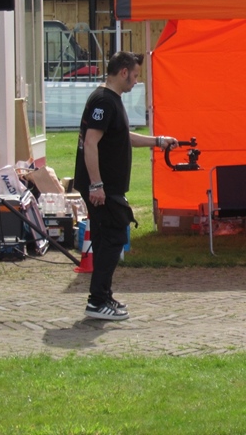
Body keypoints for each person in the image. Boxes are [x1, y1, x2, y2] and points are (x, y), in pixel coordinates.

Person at [74, 51, 177, 321]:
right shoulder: (104, 100)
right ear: (123, 72)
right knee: (115, 236)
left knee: (106, 238)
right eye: (135, 75)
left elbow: (121, 136)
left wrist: (158, 141)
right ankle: (97, 301)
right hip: (103, 187)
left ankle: (103, 296)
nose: (136, 80)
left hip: (107, 186)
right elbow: (91, 143)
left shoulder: (110, 100)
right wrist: (96, 185)